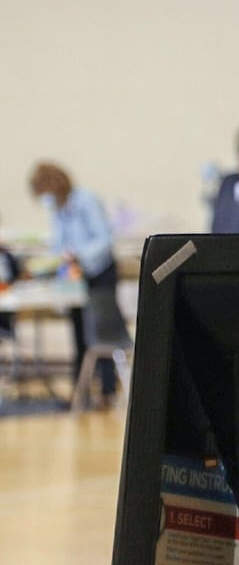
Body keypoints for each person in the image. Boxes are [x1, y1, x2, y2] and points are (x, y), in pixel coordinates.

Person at [28, 161, 131, 406]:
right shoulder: (58, 207)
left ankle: (107, 390)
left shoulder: (85, 201)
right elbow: (58, 242)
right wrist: (51, 261)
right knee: (77, 331)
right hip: (75, 276)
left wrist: (79, 254)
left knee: (101, 331)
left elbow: (104, 239)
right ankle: (81, 390)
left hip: (99, 271)